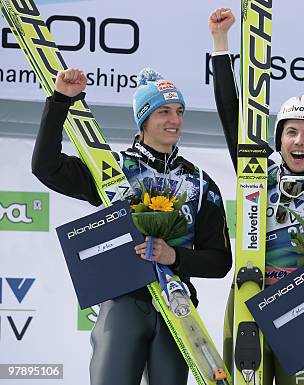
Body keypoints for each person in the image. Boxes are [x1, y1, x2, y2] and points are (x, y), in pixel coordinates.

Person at [31, 67, 232, 385]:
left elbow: (221, 261)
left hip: (177, 307)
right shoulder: (113, 168)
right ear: (144, 118)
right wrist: (60, 102)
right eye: (164, 111)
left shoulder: (200, 183)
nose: (175, 121)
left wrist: (174, 257)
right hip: (124, 303)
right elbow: (46, 167)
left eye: (179, 111)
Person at [208, 7, 304, 385]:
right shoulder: (256, 176)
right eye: (291, 131)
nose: (298, 141)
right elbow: (232, 116)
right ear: (279, 139)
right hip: (249, 294)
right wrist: (221, 43)